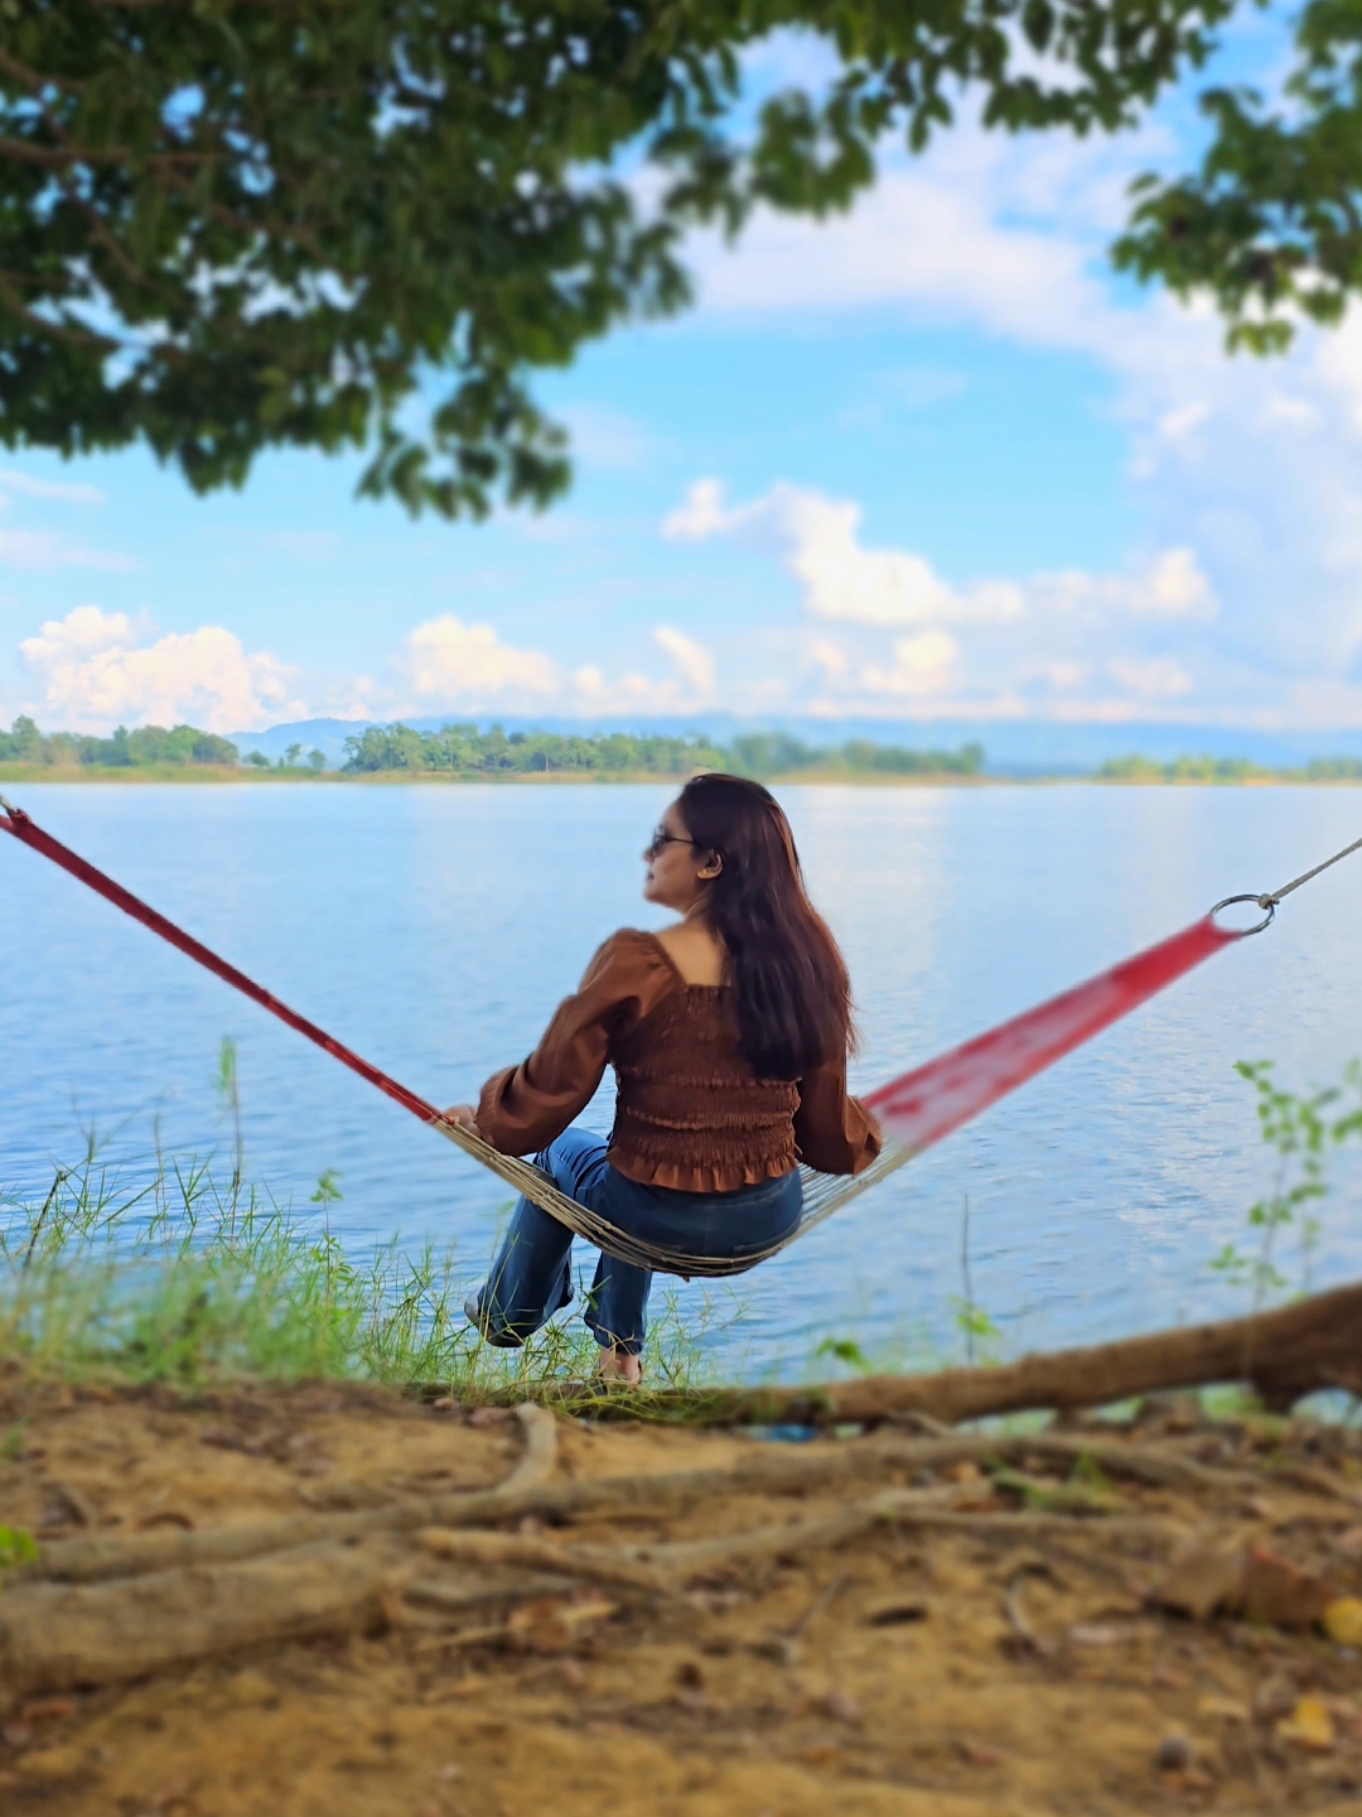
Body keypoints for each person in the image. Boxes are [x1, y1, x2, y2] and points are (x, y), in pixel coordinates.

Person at [446, 773, 880, 1385]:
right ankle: (617, 1361)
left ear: (711, 864)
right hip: (766, 1216)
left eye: (663, 840)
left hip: (651, 1218)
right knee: (630, 1165)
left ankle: (507, 1315)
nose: (649, 855)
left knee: (568, 1156)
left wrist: (487, 1120)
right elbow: (826, 1135)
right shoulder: (808, 965)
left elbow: (547, 1098)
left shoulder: (637, 963)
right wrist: (869, 1134)